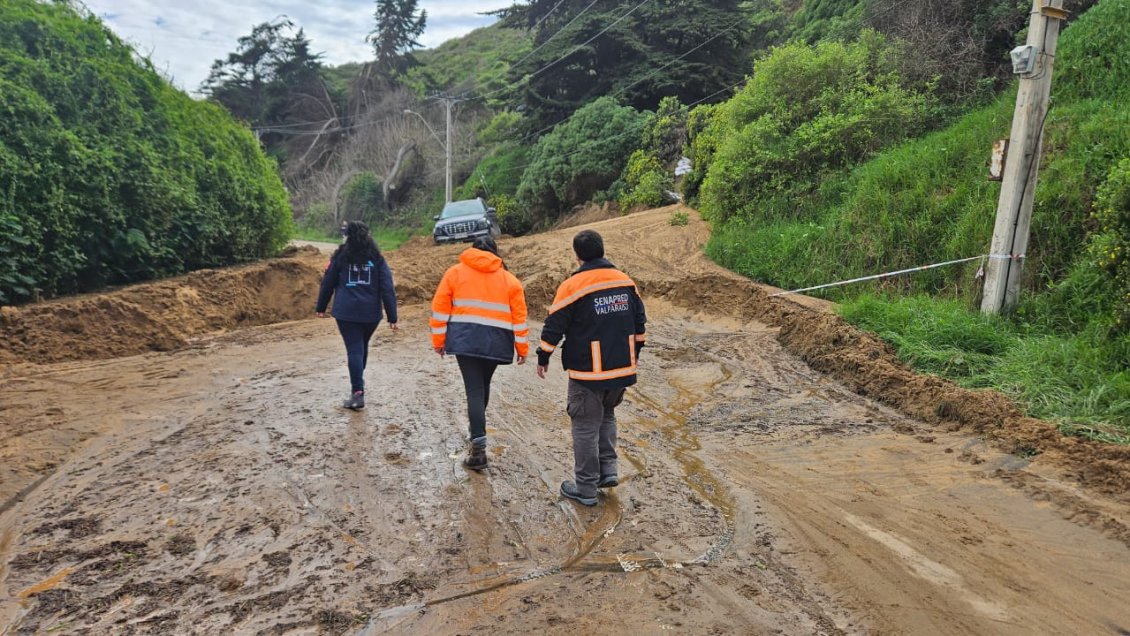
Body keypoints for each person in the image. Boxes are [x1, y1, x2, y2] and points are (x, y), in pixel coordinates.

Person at [536, 230, 646, 506]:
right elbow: (640, 325)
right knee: (607, 415)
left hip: (588, 371)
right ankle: (608, 471)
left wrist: (543, 355)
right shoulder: (626, 282)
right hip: (621, 367)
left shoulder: (574, 285)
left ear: (577, 256)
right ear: (602, 249)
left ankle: (585, 488)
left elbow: (554, 325)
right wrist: (634, 355)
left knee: (585, 425)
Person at [430, 236, 529, 470]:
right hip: (496, 342)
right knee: (483, 387)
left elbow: (440, 309)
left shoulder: (454, 273)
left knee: (474, 390)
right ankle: (477, 432)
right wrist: (522, 348)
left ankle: (478, 448)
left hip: (465, 340)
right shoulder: (510, 280)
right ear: (496, 254)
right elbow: (520, 318)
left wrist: (438, 341)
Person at [315, 220, 399, 410]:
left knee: (354, 349)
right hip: (371, 314)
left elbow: (327, 282)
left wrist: (321, 306)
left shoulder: (340, 257)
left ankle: (357, 392)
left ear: (348, 236)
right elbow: (387, 288)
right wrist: (392, 317)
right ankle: (358, 385)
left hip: (346, 313)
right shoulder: (377, 259)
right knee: (360, 347)